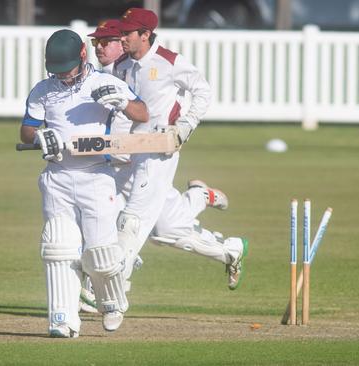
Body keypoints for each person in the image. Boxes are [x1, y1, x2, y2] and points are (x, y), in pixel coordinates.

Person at [85, 19, 246, 292]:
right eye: (96, 42)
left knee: (131, 223)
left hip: (151, 154)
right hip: (116, 165)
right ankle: (228, 246)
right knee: (167, 231)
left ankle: (108, 286)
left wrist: (184, 126)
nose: (100, 47)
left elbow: (199, 91)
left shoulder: (153, 64)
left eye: (107, 41)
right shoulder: (107, 73)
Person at [20, 29, 149, 336]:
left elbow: (142, 113)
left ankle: (112, 302)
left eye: (67, 70)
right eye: (57, 72)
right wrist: (40, 137)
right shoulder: (43, 90)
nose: (63, 77)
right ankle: (63, 320)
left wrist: (121, 102)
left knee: (100, 253)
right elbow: (26, 131)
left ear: (82, 55)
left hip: (95, 176)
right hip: (57, 176)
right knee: (58, 247)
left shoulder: (104, 82)